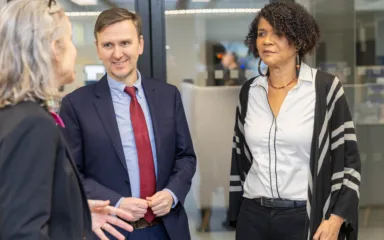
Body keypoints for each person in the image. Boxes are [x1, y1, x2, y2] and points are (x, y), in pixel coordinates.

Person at [0, 0, 133, 239]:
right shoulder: (31, 125)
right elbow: (24, 233)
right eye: (71, 39)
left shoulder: (0, 116)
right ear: (55, 49)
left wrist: (77, 213)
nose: (75, 50)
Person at [59, 7, 197, 240]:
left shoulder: (168, 96)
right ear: (98, 49)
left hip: (167, 229)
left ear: (140, 45)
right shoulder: (76, 104)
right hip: (111, 229)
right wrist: (118, 201)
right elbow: (70, 173)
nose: (117, 53)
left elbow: (185, 157)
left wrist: (172, 193)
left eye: (125, 43)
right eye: (108, 45)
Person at [228, 2, 361, 240]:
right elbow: (240, 158)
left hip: (305, 216)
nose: (267, 41)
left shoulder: (325, 89)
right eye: (261, 33)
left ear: (298, 39)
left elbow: (350, 161)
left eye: (278, 33)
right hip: (253, 216)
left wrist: (336, 219)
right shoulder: (250, 91)